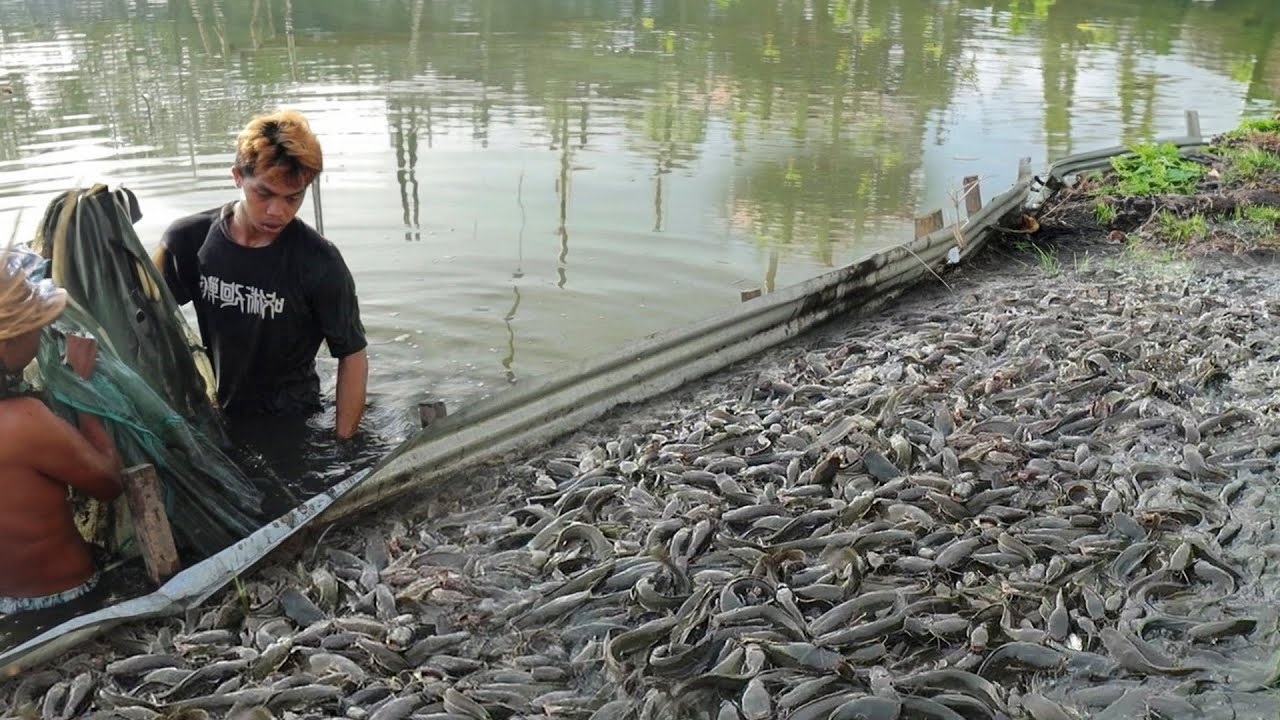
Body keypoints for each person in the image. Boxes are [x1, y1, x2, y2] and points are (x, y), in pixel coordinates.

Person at [151, 109, 368, 441]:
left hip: (295, 420)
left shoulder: (319, 262)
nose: (277, 211)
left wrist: (344, 442)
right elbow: (146, 319)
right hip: (218, 410)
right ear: (238, 176)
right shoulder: (188, 240)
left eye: (292, 198)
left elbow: (351, 353)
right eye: (264, 193)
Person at [0, 248, 122, 612]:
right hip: (65, 597)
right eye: (35, 325)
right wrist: (83, 396)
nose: (41, 333)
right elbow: (109, 483)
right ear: (7, 344)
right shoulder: (24, 419)